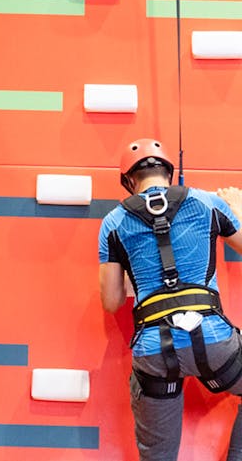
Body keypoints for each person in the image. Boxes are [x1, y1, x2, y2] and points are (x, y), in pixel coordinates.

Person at [98, 138, 242, 461]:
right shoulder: (206, 203)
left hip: (153, 353)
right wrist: (238, 205)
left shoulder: (113, 224)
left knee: (158, 456)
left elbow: (111, 301)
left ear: (129, 182)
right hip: (213, 339)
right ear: (168, 172)